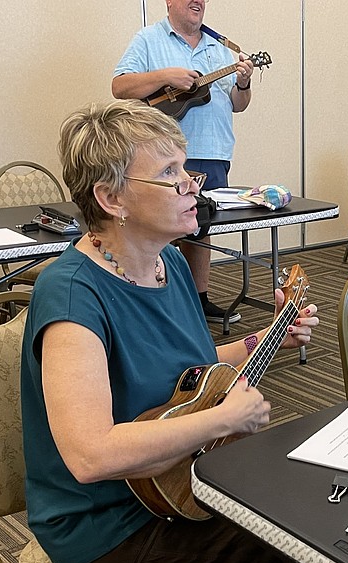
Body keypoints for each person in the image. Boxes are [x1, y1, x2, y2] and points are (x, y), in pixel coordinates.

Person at [21, 100, 325, 563]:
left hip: (175, 474)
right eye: (169, 173)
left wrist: (264, 336)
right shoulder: (72, 295)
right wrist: (222, 422)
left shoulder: (172, 263)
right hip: (108, 516)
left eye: (185, 169)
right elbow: (90, 456)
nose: (193, 184)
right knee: (288, 547)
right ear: (111, 198)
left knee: (300, 499)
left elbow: (194, 375)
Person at [112, 0, 255, 324]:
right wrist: (165, 75)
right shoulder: (149, 39)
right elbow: (120, 86)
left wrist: (244, 82)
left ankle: (198, 298)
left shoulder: (219, 48)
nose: (198, 1)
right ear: (169, 2)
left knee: (200, 227)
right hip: (161, 157)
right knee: (158, 226)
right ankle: (156, 300)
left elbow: (238, 104)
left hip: (213, 152)